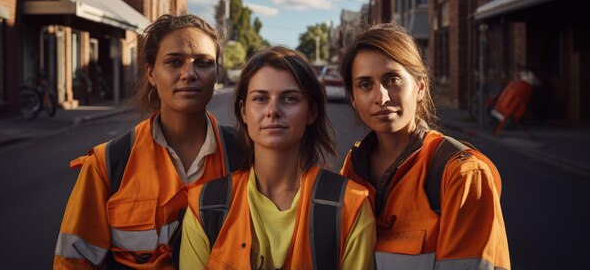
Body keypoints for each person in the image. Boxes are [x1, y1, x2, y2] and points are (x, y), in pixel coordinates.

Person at [54, 14, 242, 269]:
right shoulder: (106, 164)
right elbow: (73, 261)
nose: (189, 73)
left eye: (203, 62)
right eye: (174, 62)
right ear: (151, 72)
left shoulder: (245, 154)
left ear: (216, 72)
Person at [180, 46, 376, 269]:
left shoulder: (351, 206)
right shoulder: (204, 207)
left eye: (290, 98)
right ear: (244, 112)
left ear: (311, 112)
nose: (273, 110)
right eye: (261, 98)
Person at [338, 23, 511, 270]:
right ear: (353, 99)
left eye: (392, 79)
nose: (381, 97)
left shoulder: (463, 174)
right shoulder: (353, 167)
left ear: (420, 87)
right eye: (365, 84)